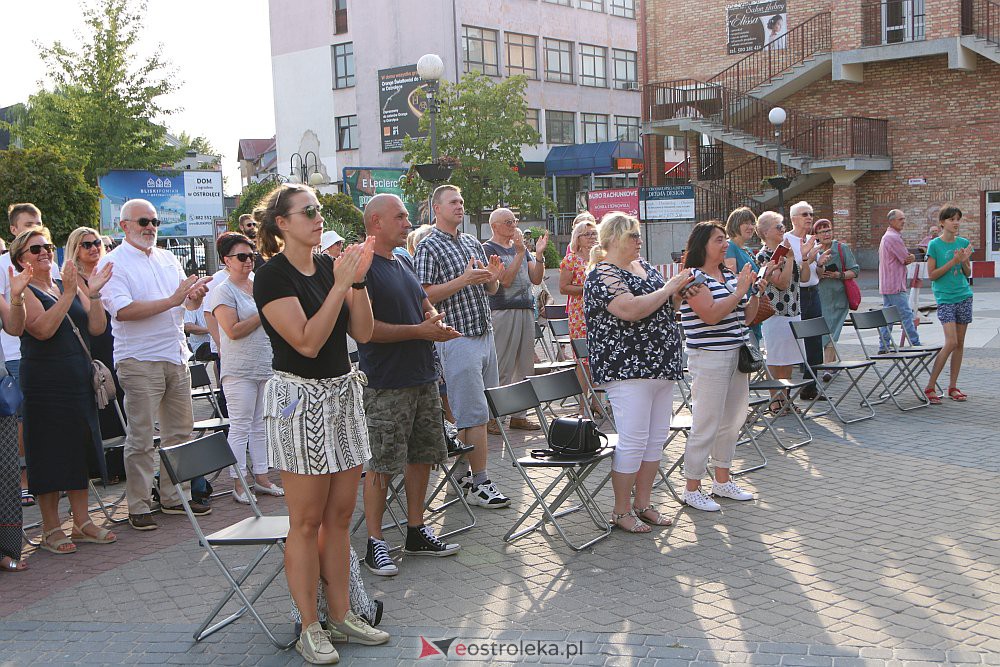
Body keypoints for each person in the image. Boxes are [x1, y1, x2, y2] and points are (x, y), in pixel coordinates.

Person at [252, 183, 387, 663]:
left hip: (341, 397)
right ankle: (310, 626)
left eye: (319, 209)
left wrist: (358, 282)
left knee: (339, 518)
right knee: (306, 522)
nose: (316, 216)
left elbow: (365, 332)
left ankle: (342, 614)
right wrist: (337, 287)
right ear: (282, 224)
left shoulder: (332, 267)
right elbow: (307, 342)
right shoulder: (271, 277)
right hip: (299, 402)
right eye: (306, 210)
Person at [357, 194, 462, 577]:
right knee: (382, 464)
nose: (407, 223)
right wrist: (420, 330)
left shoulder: (401, 261)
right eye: (399, 217)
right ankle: (375, 542)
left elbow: (423, 304)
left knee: (423, 456)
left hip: (422, 376)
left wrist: (434, 322)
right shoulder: (362, 268)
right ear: (376, 223)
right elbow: (366, 331)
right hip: (387, 383)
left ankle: (416, 531)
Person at [97, 199, 213, 531]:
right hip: (138, 359)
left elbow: (184, 303)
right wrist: (174, 300)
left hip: (175, 355)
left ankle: (175, 497)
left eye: (155, 221)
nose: (150, 227)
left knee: (180, 433)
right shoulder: (112, 264)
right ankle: (138, 504)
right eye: (143, 221)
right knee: (142, 437)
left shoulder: (166, 257)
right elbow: (122, 311)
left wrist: (195, 297)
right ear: (124, 226)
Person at [584, 213, 692, 532]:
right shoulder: (602, 272)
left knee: (656, 439)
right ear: (615, 238)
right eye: (633, 235)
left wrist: (677, 295)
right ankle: (620, 511)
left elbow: (661, 307)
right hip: (628, 367)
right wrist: (667, 289)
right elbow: (630, 309)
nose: (639, 240)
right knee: (633, 440)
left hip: (661, 365)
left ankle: (644, 503)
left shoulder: (644, 266)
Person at [14, 227, 117, 553]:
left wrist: (95, 293)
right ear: (21, 259)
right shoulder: (24, 289)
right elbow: (42, 329)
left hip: (77, 379)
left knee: (78, 449)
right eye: (35, 249)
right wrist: (71, 294)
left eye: (46, 246)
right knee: (47, 453)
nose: (44, 252)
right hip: (45, 383)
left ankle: (83, 522)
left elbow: (97, 327)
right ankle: (51, 528)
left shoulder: (63, 284)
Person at [414, 184, 509, 509]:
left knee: (476, 414)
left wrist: (493, 277)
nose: (460, 206)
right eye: (453, 201)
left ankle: (461, 478)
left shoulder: (471, 242)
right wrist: (463, 281)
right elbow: (424, 295)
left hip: (484, 334)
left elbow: (490, 287)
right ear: (436, 208)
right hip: (457, 338)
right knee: (474, 415)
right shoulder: (428, 247)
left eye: (462, 201)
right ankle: (480, 482)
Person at [680, 221, 765, 511]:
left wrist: (752, 291)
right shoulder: (692, 278)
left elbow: (748, 316)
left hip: (736, 353)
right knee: (706, 422)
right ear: (703, 244)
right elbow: (711, 315)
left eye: (725, 239)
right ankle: (691, 486)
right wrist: (740, 292)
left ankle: (722, 479)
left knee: (733, 420)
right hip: (709, 356)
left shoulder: (728, 274)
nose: (725, 243)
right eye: (719, 239)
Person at [206, 232, 283, 504]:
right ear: (227, 260)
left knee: (261, 425)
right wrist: (264, 313)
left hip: (264, 363)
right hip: (238, 368)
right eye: (242, 257)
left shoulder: (256, 283)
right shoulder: (223, 290)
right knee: (240, 426)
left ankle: (261, 476)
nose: (248, 261)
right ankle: (238, 482)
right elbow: (233, 330)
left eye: (251, 256)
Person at [2, 203, 60, 508]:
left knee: (40, 422)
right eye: (26, 225)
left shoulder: (50, 264)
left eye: (37, 223)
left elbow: (17, 324)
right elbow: (14, 324)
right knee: (21, 422)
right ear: (13, 229)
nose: (33, 229)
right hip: (13, 356)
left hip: (41, 356)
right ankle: (24, 481)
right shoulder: (4, 266)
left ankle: (46, 480)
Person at [483, 208, 548, 433]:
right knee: (502, 365)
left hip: (525, 310)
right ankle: (493, 415)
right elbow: (505, 282)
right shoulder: (489, 249)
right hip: (503, 311)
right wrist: (520, 253)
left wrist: (537, 255)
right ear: (495, 226)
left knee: (524, 366)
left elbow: (536, 278)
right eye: (508, 222)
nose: (514, 225)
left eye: (515, 221)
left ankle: (519, 415)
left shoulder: (521, 249)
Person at [65, 226, 127, 443]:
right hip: (93, 344)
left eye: (97, 243)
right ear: (75, 249)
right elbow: (89, 316)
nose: (94, 248)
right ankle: (105, 466)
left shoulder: (111, 271)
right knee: (102, 400)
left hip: (118, 341)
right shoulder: (73, 278)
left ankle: (121, 463)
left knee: (121, 400)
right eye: (87, 244)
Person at [923, 206, 974, 404]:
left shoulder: (963, 243)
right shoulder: (934, 245)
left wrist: (963, 261)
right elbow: (932, 275)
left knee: (960, 343)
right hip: (945, 298)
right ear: (942, 223)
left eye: (958, 219)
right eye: (952, 219)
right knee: (951, 341)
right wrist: (954, 260)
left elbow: (967, 273)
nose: (956, 223)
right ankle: (930, 386)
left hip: (964, 296)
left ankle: (953, 386)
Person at [0, 262, 30, 570]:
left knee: (7, 471)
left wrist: (18, 296)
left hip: (0, 393)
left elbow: (15, 328)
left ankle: (7, 550)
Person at [754, 212, 799, 411]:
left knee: (787, 357)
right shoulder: (764, 255)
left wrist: (803, 258)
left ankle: (786, 398)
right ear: (765, 232)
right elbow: (781, 283)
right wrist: (789, 260)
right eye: (778, 227)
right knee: (775, 357)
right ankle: (775, 399)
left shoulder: (786, 251)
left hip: (793, 309)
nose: (783, 229)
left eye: (783, 226)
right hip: (775, 312)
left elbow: (803, 277)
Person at [784, 201, 829, 400]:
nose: (809, 217)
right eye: (804, 214)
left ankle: (811, 385)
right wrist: (808, 259)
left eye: (810, 214)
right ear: (793, 219)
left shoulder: (812, 239)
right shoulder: (786, 240)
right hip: (797, 293)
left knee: (814, 338)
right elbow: (791, 269)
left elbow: (817, 271)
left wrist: (819, 264)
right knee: (796, 339)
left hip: (813, 290)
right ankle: (790, 386)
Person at [813, 219, 860, 374]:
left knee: (832, 331)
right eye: (822, 231)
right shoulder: (813, 251)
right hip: (819, 297)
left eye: (828, 230)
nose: (826, 234)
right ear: (816, 235)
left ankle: (827, 368)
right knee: (824, 331)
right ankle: (831, 365)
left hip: (838, 297)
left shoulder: (841, 248)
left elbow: (855, 270)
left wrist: (837, 274)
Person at [878, 209, 922, 352]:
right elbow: (905, 258)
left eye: (904, 218)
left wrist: (910, 256)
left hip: (887, 283)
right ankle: (915, 342)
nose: (903, 221)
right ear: (891, 221)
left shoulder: (887, 236)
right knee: (906, 313)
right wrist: (913, 257)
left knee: (888, 315)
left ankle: (884, 344)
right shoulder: (893, 237)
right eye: (900, 219)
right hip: (895, 283)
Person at [724, 207, 762, 343]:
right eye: (746, 222)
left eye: (752, 223)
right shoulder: (729, 246)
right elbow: (731, 277)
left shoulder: (747, 250)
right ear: (735, 224)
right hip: (741, 309)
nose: (751, 227)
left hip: (753, 306)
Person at [559, 213, 598, 341]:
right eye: (587, 234)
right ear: (578, 238)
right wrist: (588, 289)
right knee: (583, 351)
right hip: (580, 311)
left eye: (594, 233)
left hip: (602, 309)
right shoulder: (571, 259)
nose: (591, 237)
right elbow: (563, 288)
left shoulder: (604, 257)